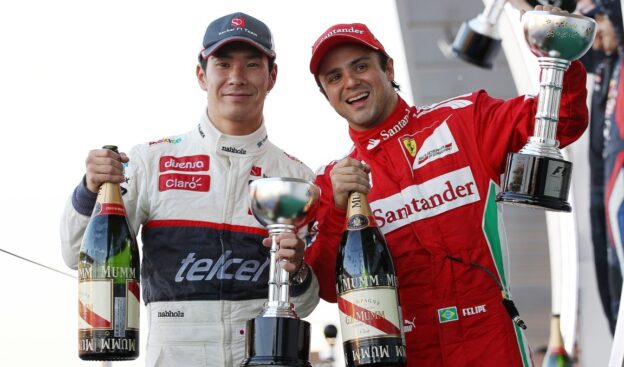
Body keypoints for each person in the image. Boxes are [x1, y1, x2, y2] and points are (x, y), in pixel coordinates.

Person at [304, 5, 588, 366]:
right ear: (326, 95)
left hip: (490, 341)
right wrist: (334, 215)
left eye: (361, 66)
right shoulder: (334, 182)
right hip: (409, 352)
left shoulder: (465, 120)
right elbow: (328, 289)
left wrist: (553, 45)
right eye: (334, 77)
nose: (350, 82)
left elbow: (562, 120)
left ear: (388, 68)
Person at [60, 12, 319, 367]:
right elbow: (76, 254)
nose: (237, 77)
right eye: (223, 64)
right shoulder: (150, 160)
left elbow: (305, 304)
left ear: (272, 76)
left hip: (262, 355)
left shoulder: (297, 177)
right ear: (202, 75)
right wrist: (89, 189)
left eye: (252, 64)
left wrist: (299, 271)